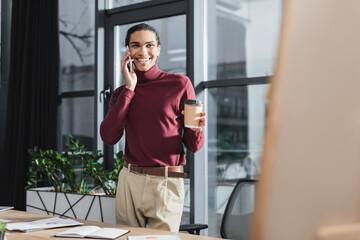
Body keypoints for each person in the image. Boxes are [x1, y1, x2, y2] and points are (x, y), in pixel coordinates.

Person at [100, 23, 206, 232]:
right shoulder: (122, 93)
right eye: (135, 45)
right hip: (129, 180)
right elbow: (109, 136)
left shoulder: (179, 84)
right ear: (128, 51)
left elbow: (193, 146)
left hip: (166, 182)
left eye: (149, 45)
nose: (143, 52)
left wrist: (196, 129)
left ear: (158, 49)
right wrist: (130, 89)